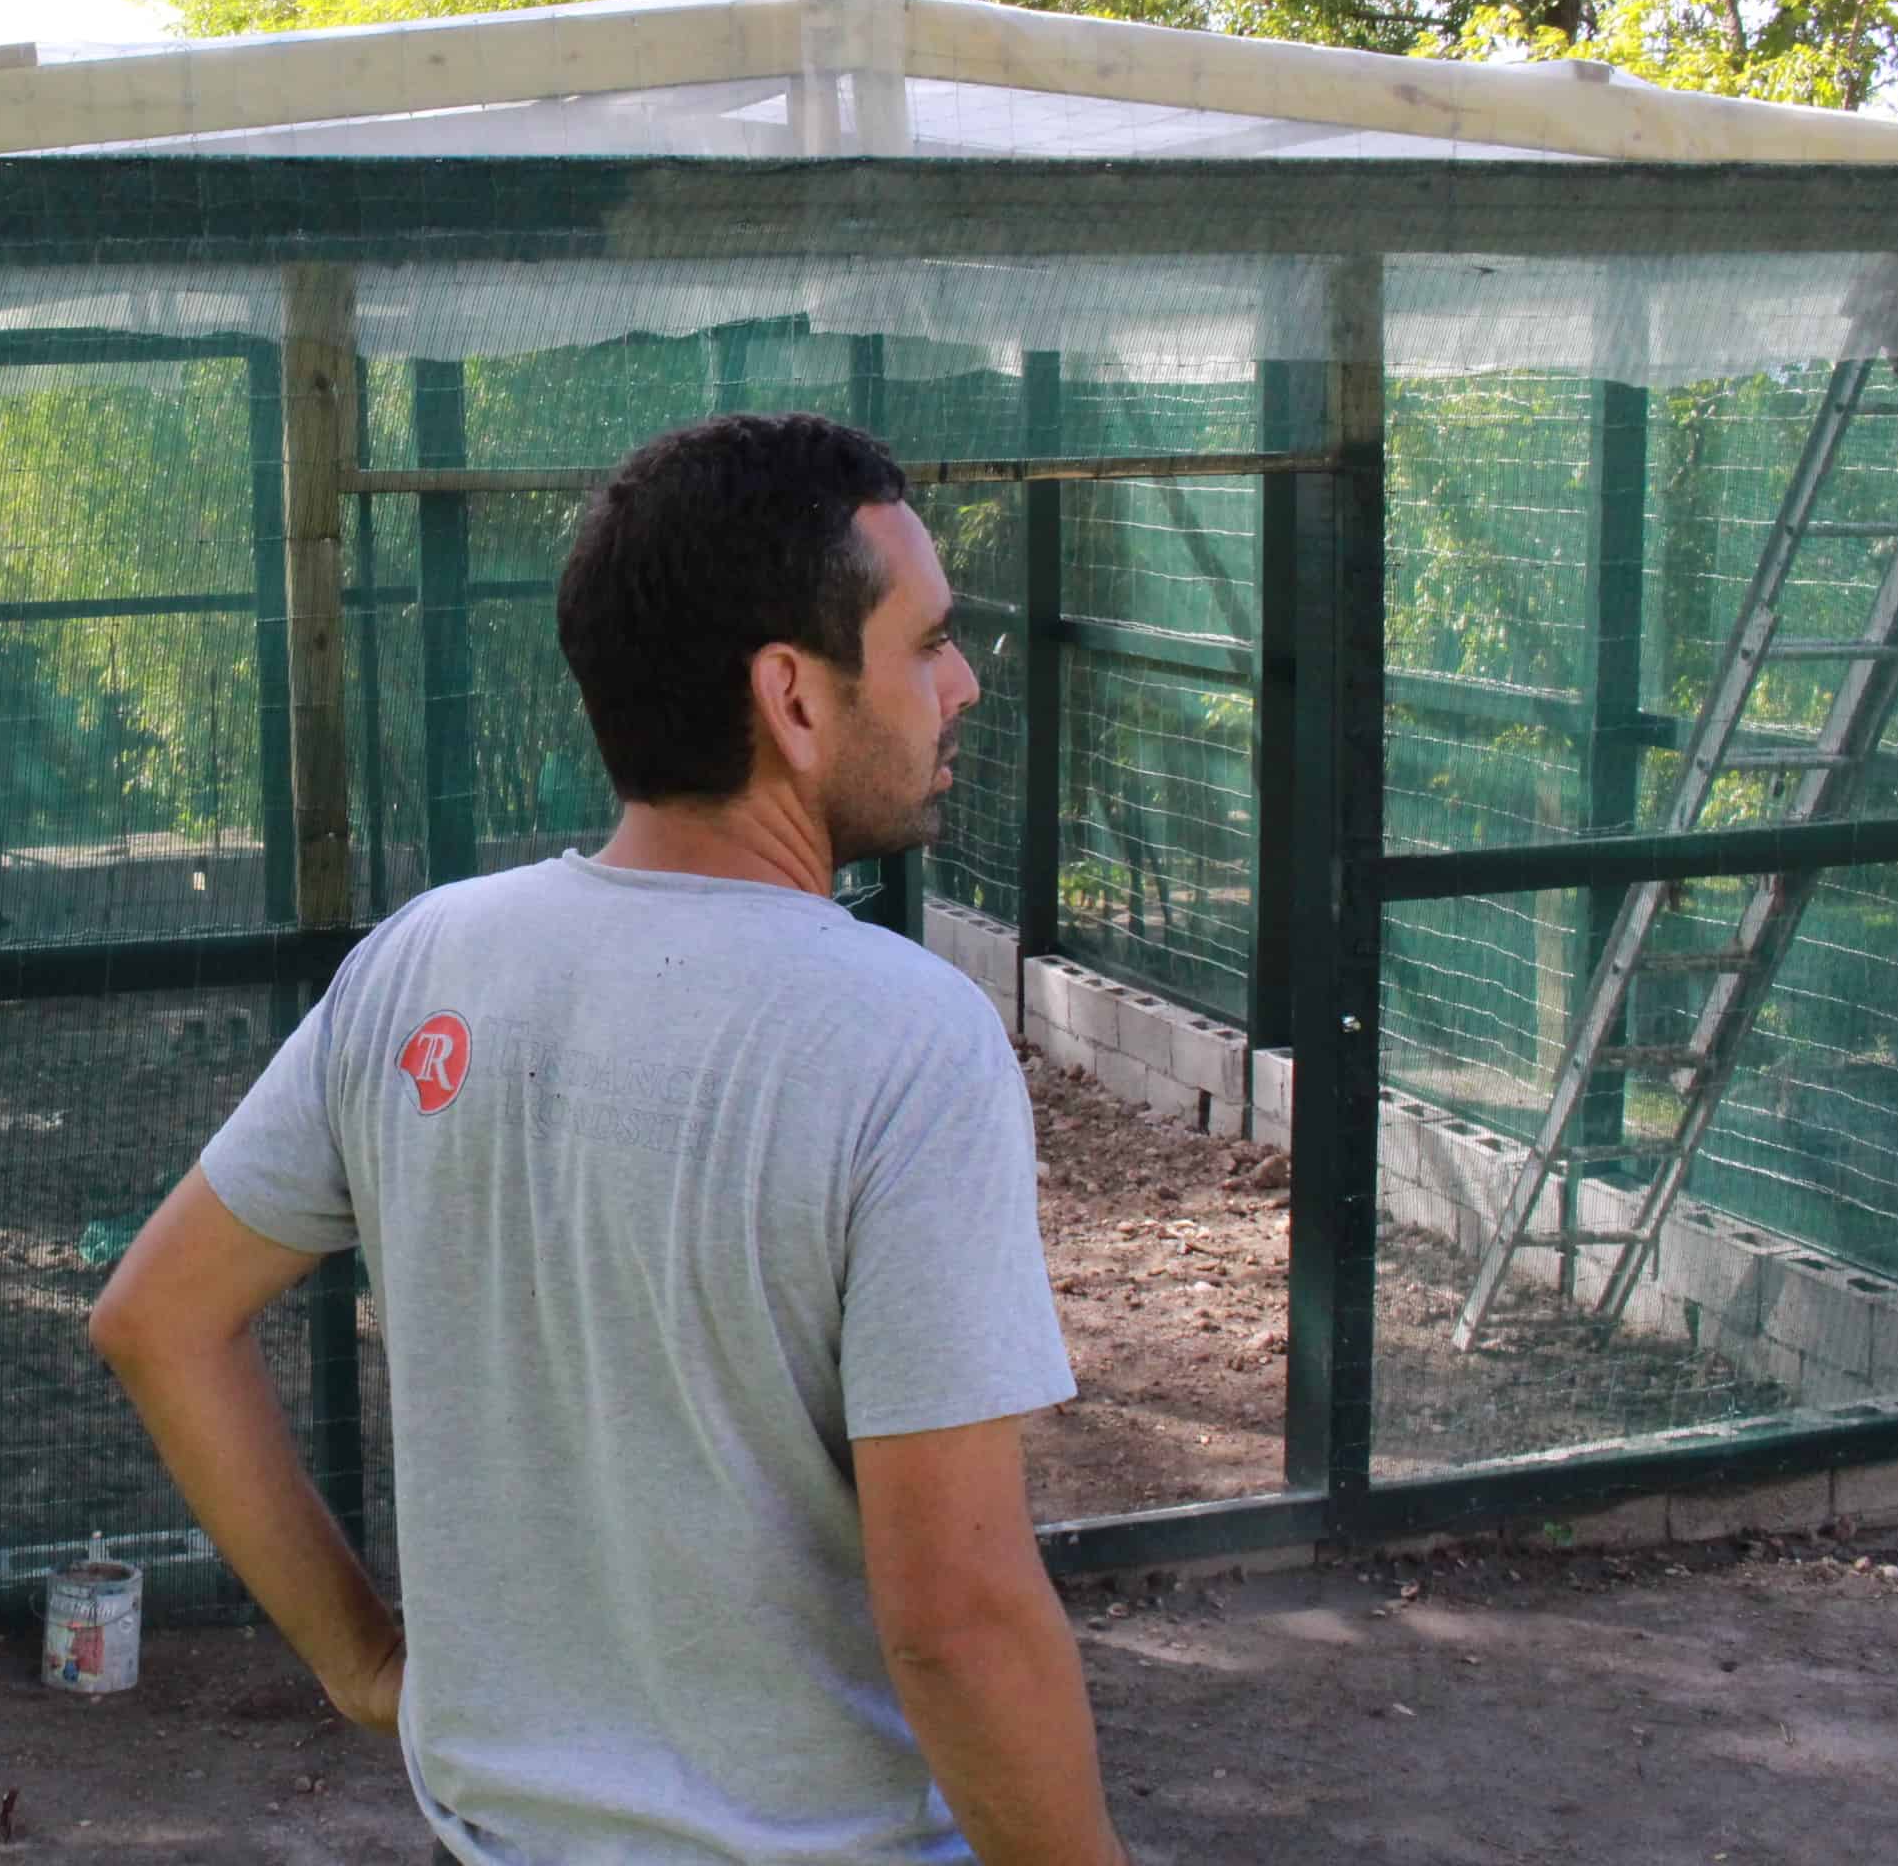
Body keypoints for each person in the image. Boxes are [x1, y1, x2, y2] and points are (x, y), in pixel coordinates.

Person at [90, 413, 1123, 1864]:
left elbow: (157, 1320)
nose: (960, 685)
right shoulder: (906, 1041)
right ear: (795, 700)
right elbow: (957, 1616)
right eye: (928, 642)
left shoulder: (421, 964)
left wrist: (361, 1662)